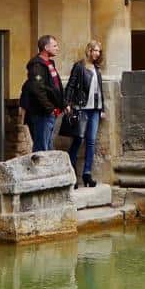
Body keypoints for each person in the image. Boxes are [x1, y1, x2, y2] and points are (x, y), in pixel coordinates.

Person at [64, 39, 107, 187]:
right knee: (77, 140)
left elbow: (99, 90)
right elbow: (70, 85)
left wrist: (102, 109)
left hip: (95, 109)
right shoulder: (79, 66)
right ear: (89, 50)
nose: (97, 53)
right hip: (81, 108)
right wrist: (67, 103)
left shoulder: (97, 68)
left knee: (91, 142)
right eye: (95, 50)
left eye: (99, 51)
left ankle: (87, 174)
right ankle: (72, 175)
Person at [19, 34, 66, 152]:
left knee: (48, 147)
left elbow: (56, 86)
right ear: (46, 47)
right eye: (54, 45)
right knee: (41, 148)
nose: (57, 48)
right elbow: (38, 89)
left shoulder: (50, 63)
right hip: (42, 113)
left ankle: (49, 170)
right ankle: (40, 170)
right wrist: (49, 108)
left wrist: (63, 104)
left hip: (50, 112)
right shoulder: (36, 65)